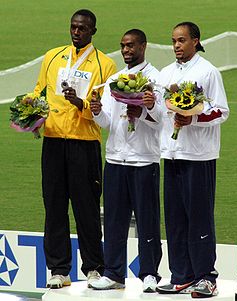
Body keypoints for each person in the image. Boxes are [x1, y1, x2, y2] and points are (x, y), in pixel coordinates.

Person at [33, 9, 116, 289]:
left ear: (93, 30)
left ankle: (93, 267)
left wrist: (81, 104)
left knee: (87, 207)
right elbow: (38, 93)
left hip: (85, 143)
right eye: (73, 27)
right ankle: (59, 270)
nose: (76, 31)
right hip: (54, 140)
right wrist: (31, 115)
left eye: (82, 28)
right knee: (54, 206)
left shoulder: (105, 65)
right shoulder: (52, 57)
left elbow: (104, 111)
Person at [146, 22, 229, 298]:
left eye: (182, 40)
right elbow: (159, 113)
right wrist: (147, 106)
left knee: (199, 217)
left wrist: (192, 117)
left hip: (199, 156)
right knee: (175, 218)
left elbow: (221, 111)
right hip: (171, 154)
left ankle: (206, 277)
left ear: (196, 41)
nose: (177, 46)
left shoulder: (208, 72)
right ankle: (182, 275)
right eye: (173, 41)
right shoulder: (166, 73)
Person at [89, 29, 162, 293]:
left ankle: (150, 273)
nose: (126, 50)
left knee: (147, 220)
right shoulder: (115, 79)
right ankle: (113, 273)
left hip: (143, 160)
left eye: (131, 45)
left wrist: (144, 111)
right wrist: (97, 113)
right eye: (122, 46)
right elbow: (108, 121)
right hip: (116, 159)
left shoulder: (155, 79)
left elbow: (162, 121)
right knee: (114, 220)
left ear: (144, 45)